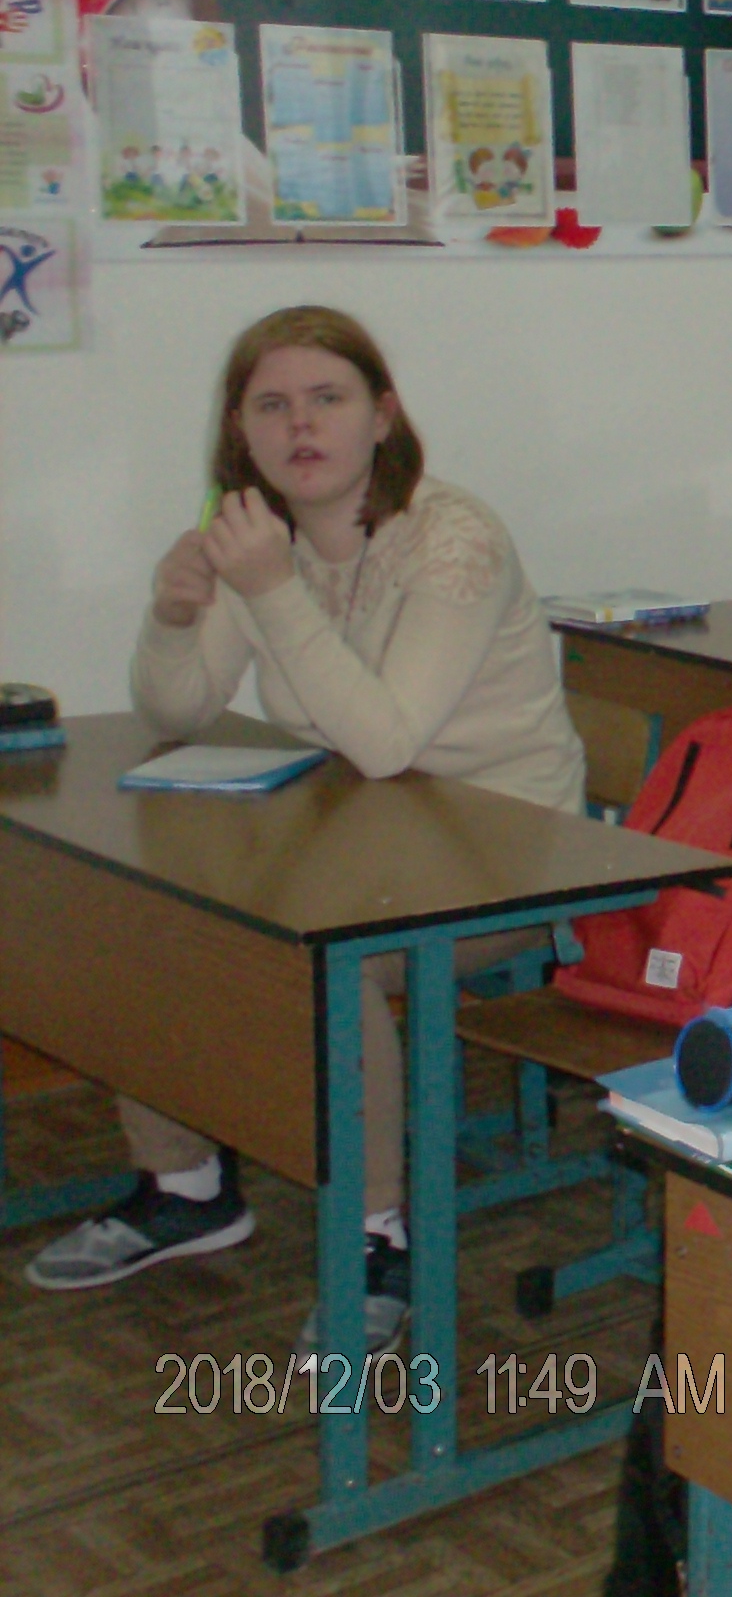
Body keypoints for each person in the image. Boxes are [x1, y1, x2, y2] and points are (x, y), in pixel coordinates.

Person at [27, 306, 586, 1368]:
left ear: (383, 415)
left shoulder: (453, 540)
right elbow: (179, 709)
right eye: (271, 406)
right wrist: (175, 613)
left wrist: (272, 591)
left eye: (328, 398)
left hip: (507, 844)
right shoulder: (263, 531)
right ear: (239, 429)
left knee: (332, 960)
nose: (300, 426)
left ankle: (378, 1237)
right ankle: (187, 1187)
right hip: (358, 828)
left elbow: (385, 739)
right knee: (153, 906)